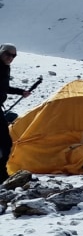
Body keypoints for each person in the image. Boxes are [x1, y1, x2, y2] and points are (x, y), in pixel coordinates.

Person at [0, 43, 33, 180]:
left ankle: (2, 173)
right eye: (8, 54)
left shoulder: (5, 68)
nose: (11, 57)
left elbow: (4, 87)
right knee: (5, 142)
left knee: (5, 142)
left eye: (13, 56)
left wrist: (20, 92)